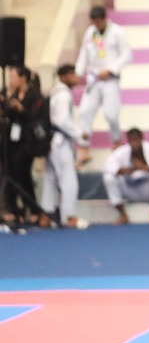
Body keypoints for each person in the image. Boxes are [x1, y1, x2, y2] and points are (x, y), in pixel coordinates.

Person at [76, 5, 132, 166]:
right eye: (94, 22)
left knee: (111, 114)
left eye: (98, 22)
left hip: (110, 79)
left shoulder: (117, 32)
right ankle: (83, 147)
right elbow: (84, 53)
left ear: (104, 19)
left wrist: (111, 69)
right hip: (93, 78)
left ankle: (116, 141)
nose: (96, 25)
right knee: (85, 112)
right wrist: (79, 72)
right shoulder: (90, 32)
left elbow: (127, 55)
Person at [3, 66, 51, 227]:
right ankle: (15, 210)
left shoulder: (34, 96)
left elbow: (36, 119)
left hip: (28, 142)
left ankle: (33, 209)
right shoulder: (12, 95)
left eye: (14, 77)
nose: (11, 81)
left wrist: (21, 109)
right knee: (11, 174)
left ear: (23, 78)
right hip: (12, 141)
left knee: (22, 174)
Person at [40, 64, 83, 229]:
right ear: (64, 76)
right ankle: (69, 216)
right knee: (68, 179)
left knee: (50, 179)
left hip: (51, 141)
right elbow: (61, 121)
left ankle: (46, 215)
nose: (76, 78)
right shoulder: (64, 95)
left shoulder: (54, 93)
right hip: (60, 142)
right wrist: (79, 135)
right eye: (72, 74)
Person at [103, 128, 149, 225]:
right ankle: (123, 215)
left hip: (147, 189)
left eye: (136, 140)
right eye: (131, 140)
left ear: (141, 138)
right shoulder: (121, 152)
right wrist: (120, 170)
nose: (134, 143)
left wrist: (147, 167)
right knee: (108, 177)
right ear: (128, 140)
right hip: (128, 188)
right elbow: (107, 166)